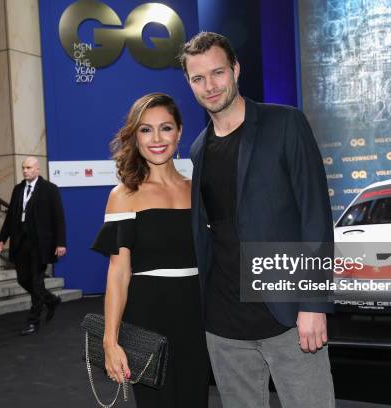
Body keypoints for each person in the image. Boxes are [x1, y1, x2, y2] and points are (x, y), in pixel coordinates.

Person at [179, 32, 335, 407]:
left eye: (217, 73)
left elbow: (315, 214)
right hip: (223, 322)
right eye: (198, 78)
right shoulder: (198, 148)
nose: (210, 86)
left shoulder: (286, 124)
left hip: (286, 314)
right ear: (189, 83)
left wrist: (313, 304)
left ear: (235, 69)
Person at [91, 93, 209, 407]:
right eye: (146, 130)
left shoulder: (197, 191)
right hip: (147, 317)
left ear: (180, 131)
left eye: (165, 128)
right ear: (135, 136)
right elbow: (118, 274)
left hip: (196, 316)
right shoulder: (124, 195)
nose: (156, 139)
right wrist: (110, 340)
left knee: (195, 399)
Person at [0, 156, 66, 336]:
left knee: (36, 282)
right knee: (22, 279)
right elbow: (11, 216)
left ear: (37, 169)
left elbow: (58, 218)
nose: (25, 171)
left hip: (41, 244)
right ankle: (51, 300)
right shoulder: (18, 189)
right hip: (20, 243)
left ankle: (33, 321)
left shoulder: (50, 190)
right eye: (23, 168)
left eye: (28, 168)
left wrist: (60, 243)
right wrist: (2, 238)